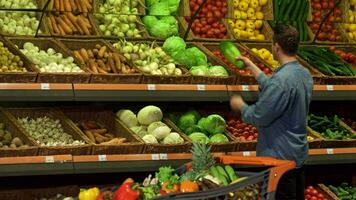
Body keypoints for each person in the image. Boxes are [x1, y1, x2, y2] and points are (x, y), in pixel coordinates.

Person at [230, 23, 313, 200]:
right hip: (297, 156)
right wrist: (253, 67)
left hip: (278, 160)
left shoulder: (280, 81)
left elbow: (259, 116)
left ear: (276, 46)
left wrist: (241, 106)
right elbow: (280, 93)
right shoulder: (303, 73)